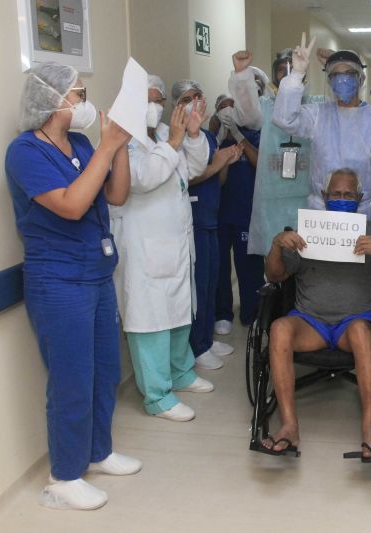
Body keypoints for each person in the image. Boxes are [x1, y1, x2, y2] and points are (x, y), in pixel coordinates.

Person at [5, 62, 140, 510]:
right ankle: (64, 474)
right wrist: (107, 146)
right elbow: (71, 206)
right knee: (72, 380)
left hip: (96, 274)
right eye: (79, 93)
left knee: (104, 371)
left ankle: (97, 452)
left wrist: (117, 145)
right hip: (58, 280)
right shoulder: (24, 152)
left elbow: (116, 195)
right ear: (52, 99)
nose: (84, 101)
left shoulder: (81, 144)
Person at [261, 169, 371, 461]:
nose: (341, 199)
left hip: (355, 323)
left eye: (348, 195)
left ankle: (370, 427)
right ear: (324, 196)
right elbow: (274, 275)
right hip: (310, 321)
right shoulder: (307, 229)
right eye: (335, 194)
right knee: (279, 328)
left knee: (358, 330)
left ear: (360, 198)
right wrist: (277, 245)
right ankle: (289, 426)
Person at [110, 74, 214, 423]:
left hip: (174, 244)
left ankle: (181, 372)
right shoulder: (122, 143)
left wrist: (194, 134)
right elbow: (141, 180)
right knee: (150, 321)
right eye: (150, 100)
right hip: (142, 248)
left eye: (159, 100)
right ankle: (157, 395)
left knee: (178, 312)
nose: (157, 106)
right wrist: (173, 141)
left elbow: (195, 167)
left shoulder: (159, 136)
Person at [273, 33, 371, 220]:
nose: (342, 80)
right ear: (329, 80)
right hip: (321, 214)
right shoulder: (318, 115)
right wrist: (296, 74)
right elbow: (284, 119)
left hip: (363, 214)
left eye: (349, 74)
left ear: (360, 79)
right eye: (336, 75)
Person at [170, 79, 243, 370]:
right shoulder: (174, 138)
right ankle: (197, 347)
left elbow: (217, 179)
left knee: (212, 279)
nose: (194, 101)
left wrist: (227, 161)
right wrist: (217, 163)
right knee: (198, 285)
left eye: (198, 96)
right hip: (195, 219)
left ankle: (207, 340)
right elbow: (189, 176)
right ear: (177, 105)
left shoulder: (206, 137)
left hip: (211, 216)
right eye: (187, 98)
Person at [228, 48, 323, 257]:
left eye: (293, 70)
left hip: (306, 199)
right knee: (275, 260)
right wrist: (243, 76)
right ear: (273, 76)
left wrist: (332, 63)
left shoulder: (316, 106)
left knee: (307, 257)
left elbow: (340, 113)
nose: (287, 76)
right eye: (282, 71)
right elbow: (247, 115)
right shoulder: (265, 106)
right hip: (272, 200)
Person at [212, 93, 265, 334]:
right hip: (220, 215)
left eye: (231, 108)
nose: (227, 112)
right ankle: (223, 313)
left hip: (247, 213)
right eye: (222, 108)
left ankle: (251, 312)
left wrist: (240, 136)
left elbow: (261, 164)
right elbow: (211, 174)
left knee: (248, 267)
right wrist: (221, 138)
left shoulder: (253, 135)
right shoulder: (214, 140)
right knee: (221, 266)